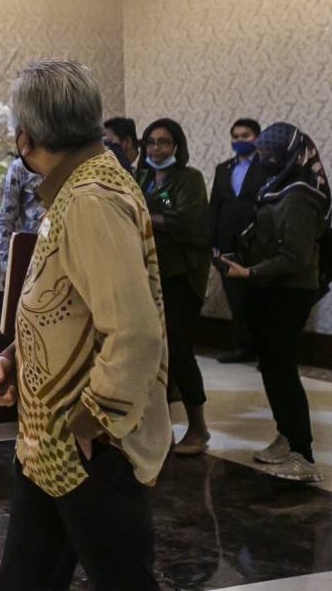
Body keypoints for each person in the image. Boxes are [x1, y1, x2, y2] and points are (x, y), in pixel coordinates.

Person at [0, 59, 170, 591]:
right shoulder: (80, 187)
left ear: (26, 137)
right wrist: (15, 358)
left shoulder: (90, 198)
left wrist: (94, 422)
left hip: (85, 442)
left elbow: (134, 330)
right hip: (51, 437)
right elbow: (71, 304)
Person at [221, 122, 330, 483]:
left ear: (290, 154)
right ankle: (287, 437)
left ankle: (303, 454)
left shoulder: (299, 194)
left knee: (282, 369)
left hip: (291, 290)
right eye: (261, 153)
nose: (263, 160)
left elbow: (295, 257)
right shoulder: (278, 186)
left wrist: (250, 273)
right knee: (271, 366)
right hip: (274, 288)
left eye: (270, 154)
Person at [135, 118, 212, 456]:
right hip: (149, 276)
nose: (156, 148)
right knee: (154, 352)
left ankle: (198, 427)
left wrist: (147, 218)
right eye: (151, 142)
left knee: (180, 349)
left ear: (176, 146)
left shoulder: (189, 178)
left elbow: (188, 222)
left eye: (164, 142)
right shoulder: (144, 177)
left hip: (182, 276)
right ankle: (160, 428)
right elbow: (152, 209)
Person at [210, 118, 267, 363]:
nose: (240, 141)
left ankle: (265, 352)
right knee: (235, 298)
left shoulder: (267, 166)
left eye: (245, 136)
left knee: (260, 299)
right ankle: (243, 348)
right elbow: (215, 207)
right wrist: (212, 241)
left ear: (258, 138)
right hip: (227, 243)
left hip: (257, 243)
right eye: (235, 136)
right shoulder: (223, 169)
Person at [0, 156, 44, 281]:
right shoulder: (20, 167)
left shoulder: (69, 162)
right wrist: (7, 266)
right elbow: (5, 219)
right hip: (29, 258)